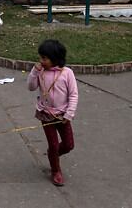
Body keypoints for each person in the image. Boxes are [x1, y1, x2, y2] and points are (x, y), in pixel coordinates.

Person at [28, 39, 79, 186]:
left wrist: (69, 114)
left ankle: (52, 154)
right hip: (46, 114)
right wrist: (34, 72)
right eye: (40, 57)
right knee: (54, 144)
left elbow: (74, 95)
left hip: (63, 116)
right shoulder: (41, 72)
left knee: (69, 145)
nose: (41, 61)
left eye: (44, 58)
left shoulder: (67, 73)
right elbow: (31, 87)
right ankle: (56, 170)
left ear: (55, 58)